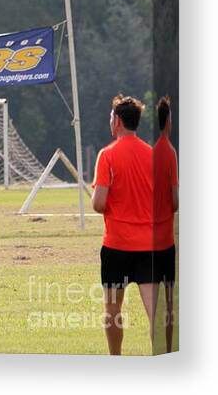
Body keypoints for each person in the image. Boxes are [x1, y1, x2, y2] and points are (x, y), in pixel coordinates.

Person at [91, 94, 156, 355]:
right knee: (155, 312)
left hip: (117, 245)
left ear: (117, 121)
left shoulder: (107, 155)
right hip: (150, 246)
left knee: (113, 309)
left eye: (111, 117)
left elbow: (98, 204)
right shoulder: (153, 155)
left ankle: (116, 361)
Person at [153, 95, 179, 353]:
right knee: (170, 303)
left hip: (149, 240)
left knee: (153, 301)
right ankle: (168, 350)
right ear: (168, 121)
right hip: (166, 240)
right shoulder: (170, 152)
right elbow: (175, 200)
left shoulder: (151, 152)